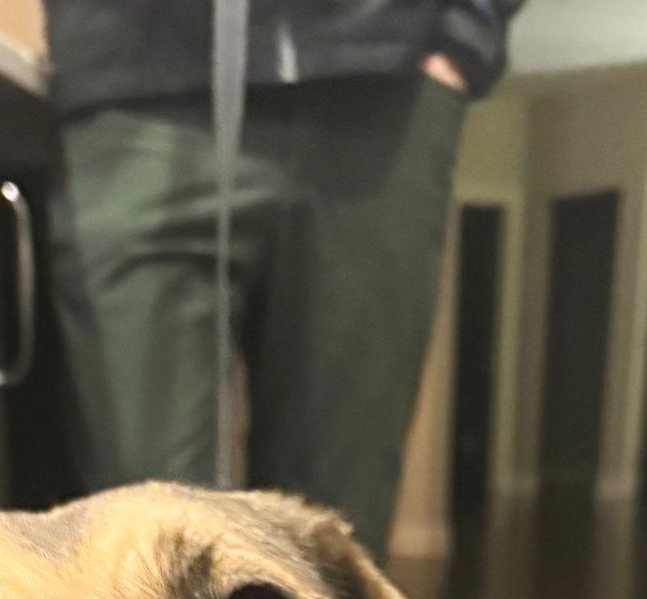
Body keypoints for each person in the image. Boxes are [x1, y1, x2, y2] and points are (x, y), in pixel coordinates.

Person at [44, 0, 522, 559]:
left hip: (384, 87)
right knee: (140, 536)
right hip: (130, 81)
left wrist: (463, 39)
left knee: (338, 538)